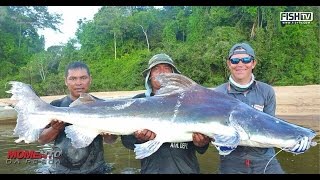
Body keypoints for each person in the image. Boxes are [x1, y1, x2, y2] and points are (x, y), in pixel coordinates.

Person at [214, 42, 312, 174]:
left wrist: (290, 144)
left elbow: (270, 126)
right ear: (229, 64)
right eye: (235, 60)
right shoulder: (218, 93)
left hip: (265, 158)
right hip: (231, 161)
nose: (240, 64)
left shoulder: (266, 91)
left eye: (246, 59)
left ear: (253, 63)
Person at [121, 53, 211, 174]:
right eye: (156, 68)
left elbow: (202, 148)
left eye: (166, 68)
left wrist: (202, 143)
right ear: (149, 75)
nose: (162, 72)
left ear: (174, 74)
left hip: (186, 169)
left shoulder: (190, 102)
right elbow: (126, 141)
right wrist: (140, 139)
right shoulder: (137, 102)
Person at [38, 61, 118, 174]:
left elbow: (111, 140)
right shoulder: (56, 106)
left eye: (83, 78)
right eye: (73, 78)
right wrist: (55, 129)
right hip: (60, 169)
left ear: (90, 79)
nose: (78, 83)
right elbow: (42, 139)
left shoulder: (102, 105)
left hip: (95, 168)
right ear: (66, 81)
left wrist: (108, 133)